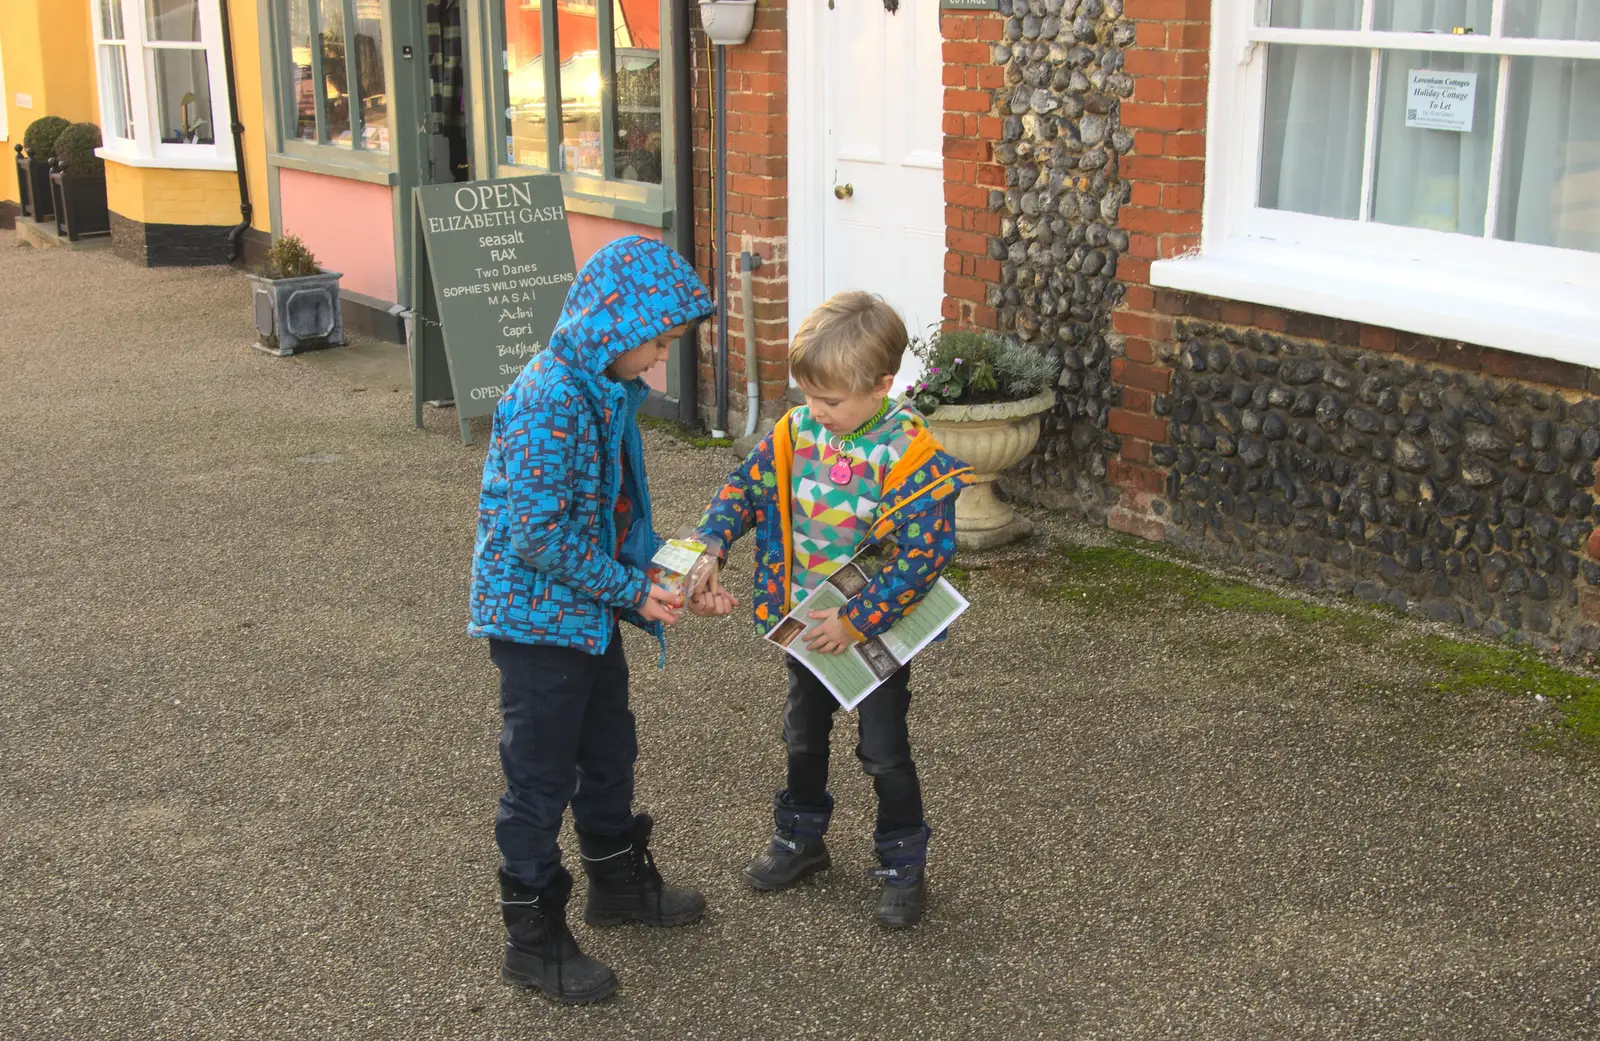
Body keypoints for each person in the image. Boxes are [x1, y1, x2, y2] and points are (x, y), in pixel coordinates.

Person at [469, 235, 713, 1004]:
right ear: (615, 323)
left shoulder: (603, 390)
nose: (658, 362)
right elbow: (538, 535)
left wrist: (659, 575)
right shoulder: (551, 397)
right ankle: (532, 938)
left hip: (585, 610)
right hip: (536, 622)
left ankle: (615, 881)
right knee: (539, 777)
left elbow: (606, 519)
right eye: (656, 342)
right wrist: (634, 591)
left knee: (608, 746)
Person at [690, 291, 973, 928]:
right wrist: (713, 543)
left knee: (884, 751)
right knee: (802, 736)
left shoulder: (910, 452)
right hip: (806, 623)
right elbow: (745, 487)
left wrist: (856, 621)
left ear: (881, 385)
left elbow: (921, 559)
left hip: (871, 634)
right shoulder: (798, 431)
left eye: (830, 400)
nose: (815, 411)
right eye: (808, 395)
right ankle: (801, 838)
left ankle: (903, 861)